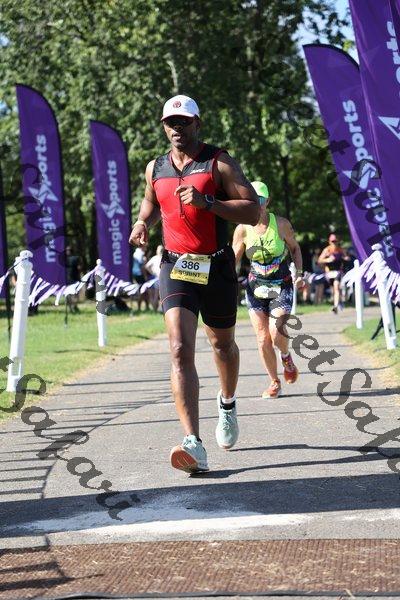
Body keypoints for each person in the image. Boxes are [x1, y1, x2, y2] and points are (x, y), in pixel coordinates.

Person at [129, 94, 259, 473]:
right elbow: (152, 202)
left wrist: (209, 203)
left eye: (183, 122)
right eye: (170, 123)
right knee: (179, 348)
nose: (177, 128)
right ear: (163, 127)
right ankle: (193, 442)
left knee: (222, 346)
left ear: (197, 123)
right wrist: (142, 223)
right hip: (175, 265)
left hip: (216, 266)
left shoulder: (219, 162)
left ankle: (227, 403)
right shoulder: (155, 167)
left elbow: (253, 210)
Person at [232, 181, 304, 399]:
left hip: (281, 284)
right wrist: (225, 281)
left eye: (261, 200)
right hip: (255, 287)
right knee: (262, 338)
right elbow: (233, 259)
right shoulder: (242, 229)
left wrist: (300, 273)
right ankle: (274, 382)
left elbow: (295, 248)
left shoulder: (281, 224)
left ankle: (286, 356)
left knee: (276, 331)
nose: (257, 204)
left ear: (267, 201)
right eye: (252, 200)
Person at [318, 233, 345, 313]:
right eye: (333, 241)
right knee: (333, 289)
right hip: (329, 273)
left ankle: (336, 306)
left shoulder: (340, 250)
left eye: (335, 241)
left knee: (336, 287)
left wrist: (345, 258)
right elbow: (319, 260)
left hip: (338, 272)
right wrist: (327, 260)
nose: (334, 243)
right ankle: (339, 302)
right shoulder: (327, 250)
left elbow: (346, 257)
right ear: (329, 242)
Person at [65, 245, 82, 314]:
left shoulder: (64, 259)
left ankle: (70, 308)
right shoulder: (77, 258)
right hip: (75, 278)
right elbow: (79, 268)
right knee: (75, 294)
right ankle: (74, 306)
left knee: (68, 294)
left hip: (67, 279)